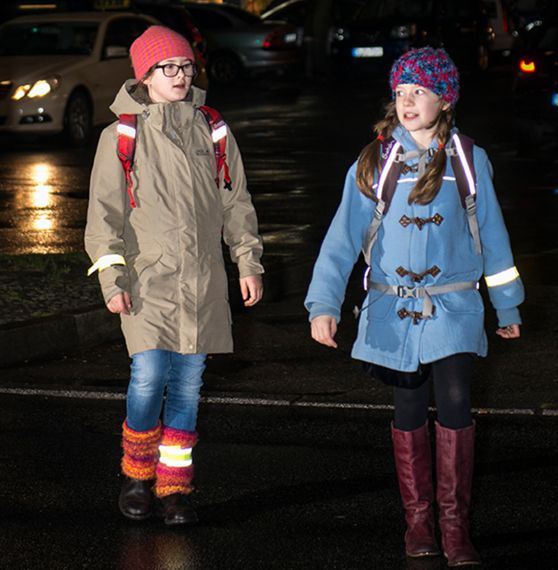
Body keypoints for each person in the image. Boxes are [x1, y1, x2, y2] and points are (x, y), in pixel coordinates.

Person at [304, 47, 523, 565]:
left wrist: (508, 305)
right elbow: (341, 238)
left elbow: (493, 236)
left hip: (454, 309)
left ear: (444, 100)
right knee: (407, 409)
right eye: (400, 92)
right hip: (391, 311)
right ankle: (418, 524)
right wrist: (323, 304)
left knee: (454, 404)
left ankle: (455, 527)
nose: (407, 101)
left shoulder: (468, 159)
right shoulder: (375, 161)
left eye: (419, 92)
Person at [85, 26, 264, 526]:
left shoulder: (213, 128)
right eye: (168, 68)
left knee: (187, 387)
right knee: (147, 378)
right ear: (144, 76)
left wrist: (247, 262)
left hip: (203, 283)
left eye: (186, 66)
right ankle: (137, 475)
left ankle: (173, 489)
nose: (180, 75)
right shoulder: (121, 136)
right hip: (148, 283)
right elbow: (103, 219)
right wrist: (112, 280)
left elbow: (236, 203)